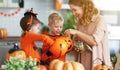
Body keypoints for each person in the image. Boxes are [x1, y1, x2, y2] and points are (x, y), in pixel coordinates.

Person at [64, 0, 112, 70]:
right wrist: (71, 43)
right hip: (82, 63)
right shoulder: (80, 22)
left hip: (99, 64)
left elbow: (94, 41)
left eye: (74, 10)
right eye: (72, 10)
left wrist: (76, 32)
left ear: (84, 6)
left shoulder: (100, 20)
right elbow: (78, 44)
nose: (73, 13)